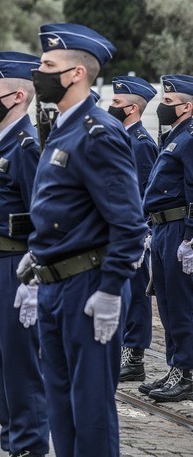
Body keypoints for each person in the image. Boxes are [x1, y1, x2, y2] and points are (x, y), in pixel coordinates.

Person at [23, 23, 145, 456]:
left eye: (47, 65)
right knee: (60, 405)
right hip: (57, 285)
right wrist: (37, 260)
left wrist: (112, 289)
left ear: (76, 73)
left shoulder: (99, 132)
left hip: (89, 287)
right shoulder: (62, 127)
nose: (38, 72)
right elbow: (63, 210)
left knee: (90, 408)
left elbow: (130, 223)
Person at [0, 52, 50, 457]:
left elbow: (44, 215)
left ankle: (30, 446)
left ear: (18, 96)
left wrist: (36, 275)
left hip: (17, 268)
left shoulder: (26, 146)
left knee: (22, 368)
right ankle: (13, 443)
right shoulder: (2, 140)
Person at [139, 74, 193, 402]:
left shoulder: (190, 137)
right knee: (168, 304)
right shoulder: (174, 136)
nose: (163, 107)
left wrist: (190, 237)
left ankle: (185, 373)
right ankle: (175, 365)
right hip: (160, 229)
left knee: (181, 303)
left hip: (177, 229)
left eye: (170, 103)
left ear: (187, 106)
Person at [107, 76, 158, 383]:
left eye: (116, 103)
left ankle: (133, 355)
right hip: (115, 230)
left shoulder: (140, 144)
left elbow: (143, 193)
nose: (110, 107)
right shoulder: (119, 138)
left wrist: (139, 235)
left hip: (134, 233)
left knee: (136, 294)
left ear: (131, 109)